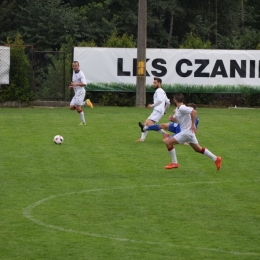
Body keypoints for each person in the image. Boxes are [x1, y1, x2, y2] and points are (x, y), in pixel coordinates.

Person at [162, 93, 222, 170]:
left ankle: (174, 163)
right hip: (189, 133)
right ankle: (216, 159)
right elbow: (178, 120)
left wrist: (193, 124)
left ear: (175, 100)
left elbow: (194, 112)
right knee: (198, 149)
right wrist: (172, 119)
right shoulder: (178, 109)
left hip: (186, 133)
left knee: (168, 143)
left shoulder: (182, 108)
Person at [136, 77, 170, 142]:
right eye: (153, 82)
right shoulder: (162, 91)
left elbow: (160, 101)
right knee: (147, 124)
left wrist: (151, 105)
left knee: (148, 125)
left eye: (155, 83)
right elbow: (168, 102)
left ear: (159, 83)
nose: (153, 84)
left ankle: (165, 134)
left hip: (158, 110)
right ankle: (142, 139)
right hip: (159, 110)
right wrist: (165, 111)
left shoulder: (158, 91)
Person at [69, 61, 93, 125]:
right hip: (76, 92)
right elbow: (75, 83)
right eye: (73, 66)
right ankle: (86, 102)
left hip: (81, 92)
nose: (74, 67)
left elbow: (84, 84)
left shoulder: (81, 74)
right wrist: (72, 86)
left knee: (77, 106)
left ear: (78, 66)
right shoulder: (74, 72)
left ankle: (83, 122)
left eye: (76, 66)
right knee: (71, 107)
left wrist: (75, 84)